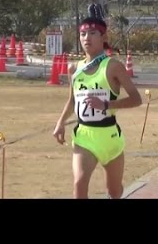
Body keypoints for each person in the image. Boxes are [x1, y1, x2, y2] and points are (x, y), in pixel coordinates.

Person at [53, 17, 142, 199]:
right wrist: (60, 123)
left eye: (92, 33)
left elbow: (136, 99)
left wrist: (107, 105)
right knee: (79, 182)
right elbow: (72, 100)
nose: (87, 38)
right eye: (83, 34)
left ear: (103, 37)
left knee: (114, 191)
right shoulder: (74, 69)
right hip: (84, 136)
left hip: (109, 136)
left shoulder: (113, 66)